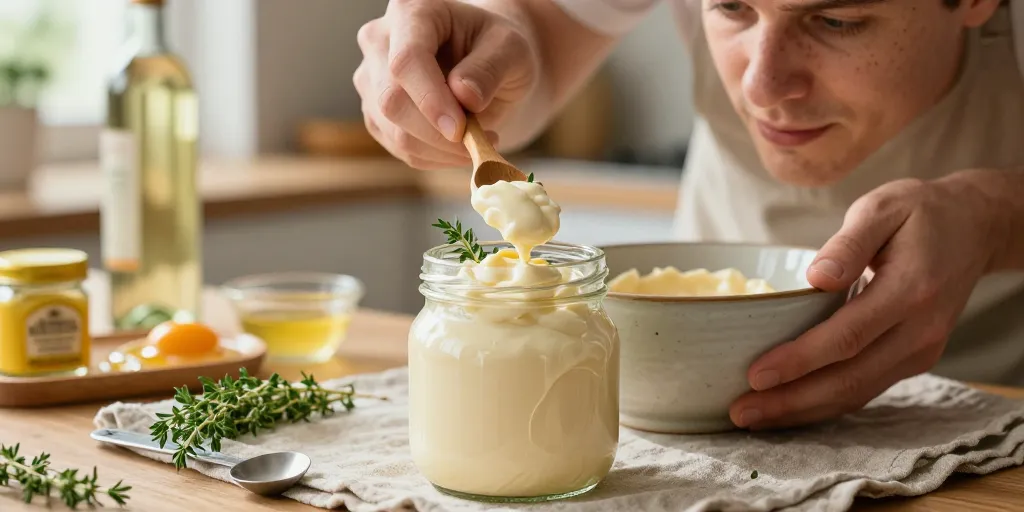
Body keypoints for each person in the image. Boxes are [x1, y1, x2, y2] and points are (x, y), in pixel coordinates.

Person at [353, 0, 1024, 430]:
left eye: (836, 20)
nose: (762, 84)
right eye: (731, 7)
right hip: (685, 392)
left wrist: (993, 218)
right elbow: (529, 35)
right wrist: (478, 53)